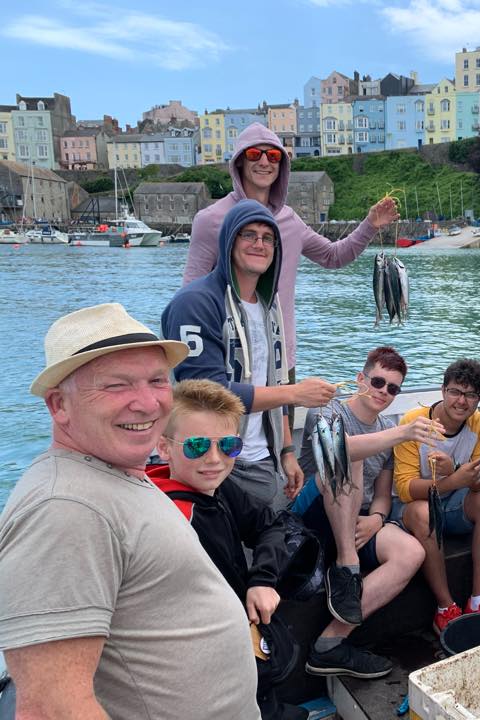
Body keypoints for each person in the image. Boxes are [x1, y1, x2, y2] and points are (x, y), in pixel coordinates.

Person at [0, 303, 258, 719]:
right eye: (116, 386)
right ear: (58, 405)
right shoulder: (65, 510)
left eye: (158, 381)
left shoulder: (116, 473)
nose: (147, 403)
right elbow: (52, 709)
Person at [162, 200, 366, 627]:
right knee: (227, 584)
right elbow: (209, 391)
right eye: (248, 235)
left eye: (268, 237)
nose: (259, 244)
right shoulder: (195, 303)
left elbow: (274, 371)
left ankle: (269, 655)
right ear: (228, 240)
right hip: (217, 462)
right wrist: (296, 392)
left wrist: (288, 450)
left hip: (265, 461)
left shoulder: (269, 306)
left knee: (261, 577)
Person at [182, 122, 399, 390]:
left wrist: (370, 225)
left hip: (281, 359)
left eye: (273, 156)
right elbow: (190, 296)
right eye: (254, 154)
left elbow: (333, 256)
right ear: (238, 162)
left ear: (282, 165)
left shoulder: (290, 220)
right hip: (230, 360)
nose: (264, 162)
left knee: (280, 431)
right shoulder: (210, 219)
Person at [150, 379, 314, 720]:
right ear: (164, 448)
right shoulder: (172, 518)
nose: (214, 459)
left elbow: (270, 524)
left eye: (228, 446)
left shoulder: (217, 486)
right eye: (196, 446)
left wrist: (262, 579)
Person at [293, 347, 435, 676]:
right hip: (310, 517)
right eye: (378, 382)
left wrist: (377, 519)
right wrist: (402, 432)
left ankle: (330, 645)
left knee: (411, 552)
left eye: (393, 388)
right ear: (361, 379)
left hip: (358, 518)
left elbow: (383, 495)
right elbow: (338, 447)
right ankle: (346, 565)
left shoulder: (386, 426)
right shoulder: (328, 411)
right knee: (348, 451)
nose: (383, 392)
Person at [392, 359, 480, 634]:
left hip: (451, 503)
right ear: (443, 391)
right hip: (409, 509)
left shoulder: (479, 424)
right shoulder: (413, 423)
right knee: (424, 512)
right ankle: (445, 606)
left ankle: (479, 599)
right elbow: (405, 489)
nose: (461, 401)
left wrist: (455, 473)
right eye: (455, 392)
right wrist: (453, 479)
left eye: (471, 395)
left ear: (479, 399)